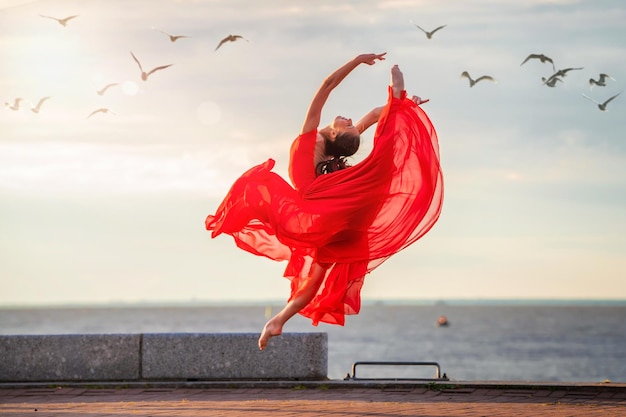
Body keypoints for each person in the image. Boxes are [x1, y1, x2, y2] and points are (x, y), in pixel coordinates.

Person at [205, 53, 443, 350]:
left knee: (319, 271)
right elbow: (363, 112)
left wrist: (373, 81)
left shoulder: (314, 139)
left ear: (334, 132)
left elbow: (332, 89)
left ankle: (278, 320)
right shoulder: (325, 148)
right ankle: (277, 320)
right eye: (349, 124)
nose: (348, 119)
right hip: (323, 204)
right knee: (378, 173)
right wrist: (398, 106)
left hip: (323, 206)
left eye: (347, 124)